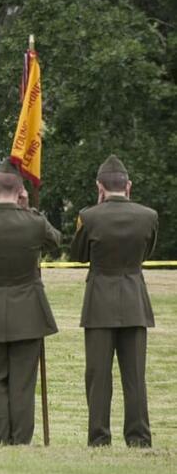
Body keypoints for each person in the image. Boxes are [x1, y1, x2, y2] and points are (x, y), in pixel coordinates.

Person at [0, 161, 61, 445]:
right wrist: (29, 208)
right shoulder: (34, 222)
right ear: (21, 191)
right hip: (28, 311)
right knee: (23, 381)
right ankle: (20, 439)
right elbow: (55, 242)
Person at [69, 155, 158, 447]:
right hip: (134, 299)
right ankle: (139, 437)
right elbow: (147, 253)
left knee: (98, 377)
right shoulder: (148, 216)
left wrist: (95, 208)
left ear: (100, 186)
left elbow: (78, 255)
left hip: (98, 303)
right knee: (135, 377)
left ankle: (98, 437)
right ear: (128, 186)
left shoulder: (89, 216)